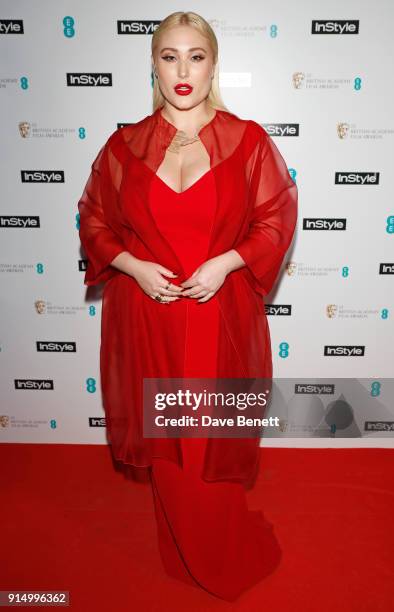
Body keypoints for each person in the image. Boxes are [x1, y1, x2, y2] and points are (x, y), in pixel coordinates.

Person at [77, 10, 298, 602]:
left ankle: (221, 553)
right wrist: (133, 267)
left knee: (205, 450)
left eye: (195, 57)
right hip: (148, 316)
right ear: (154, 65)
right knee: (170, 454)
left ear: (212, 65)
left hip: (216, 318)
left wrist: (225, 262)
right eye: (170, 57)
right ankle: (180, 553)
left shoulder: (248, 141)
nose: (183, 70)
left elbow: (275, 220)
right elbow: (94, 218)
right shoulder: (124, 146)